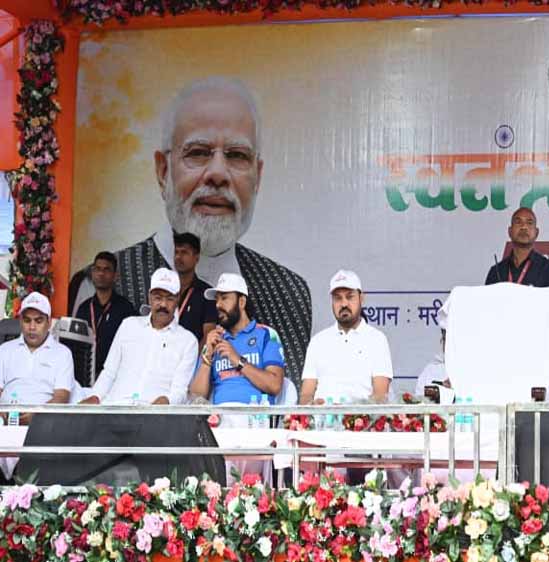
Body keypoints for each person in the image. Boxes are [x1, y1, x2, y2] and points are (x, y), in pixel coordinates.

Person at [69, 77, 311, 384]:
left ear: (257, 176)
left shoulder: (290, 293)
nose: (218, 174)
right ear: (163, 171)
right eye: (198, 152)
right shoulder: (101, 282)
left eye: (237, 155)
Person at [80, 268, 198, 405]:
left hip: (153, 412)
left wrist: (166, 401)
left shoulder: (187, 341)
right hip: (116, 406)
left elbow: (180, 391)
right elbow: (109, 372)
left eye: (170, 299)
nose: (163, 305)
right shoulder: (129, 325)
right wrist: (95, 396)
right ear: (149, 297)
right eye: (158, 298)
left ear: (178, 299)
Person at [189, 273, 285, 404]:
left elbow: (275, 386)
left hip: (255, 414)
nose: (218, 305)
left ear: (241, 302)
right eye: (217, 299)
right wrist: (207, 358)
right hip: (220, 415)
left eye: (224, 298)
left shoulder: (267, 334)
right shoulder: (215, 339)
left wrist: (238, 361)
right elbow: (195, 398)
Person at [299, 270, 393, 405]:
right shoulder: (318, 341)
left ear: (361, 298)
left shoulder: (377, 339)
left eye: (350, 297)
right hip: (321, 417)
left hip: (361, 417)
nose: (344, 304)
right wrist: (311, 406)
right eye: (338, 298)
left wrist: (352, 413)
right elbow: (306, 394)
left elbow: (380, 396)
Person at [0, 293, 74, 425]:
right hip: (5, 422)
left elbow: (61, 397)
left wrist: (37, 416)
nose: (32, 327)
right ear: (20, 321)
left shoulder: (62, 354)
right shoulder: (4, 350)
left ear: (49, 322)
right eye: (27, 320)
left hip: (45, 423)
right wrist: (2, 413)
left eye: (38, 321)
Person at [73, 252, 137, 378]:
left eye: (106, 269)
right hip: (85, 375)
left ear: (115, 276)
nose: (101, 273)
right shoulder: (84, 308)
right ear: (92, 273)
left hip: (115, 376)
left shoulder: (125, 308)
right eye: (97, 269)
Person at [484, 207, 549, 289]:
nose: (524, 227)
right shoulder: (496, 271)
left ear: (536, 233)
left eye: (529, 223)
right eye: (518, 222)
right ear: (510, 231)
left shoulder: (548, 269)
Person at [173, 232, 216, 346]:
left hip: (193, 355)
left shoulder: (206, 294)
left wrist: (195, 356)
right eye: (176, 252)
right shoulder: (166, 290)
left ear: (196, 257)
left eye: (184, 252)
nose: (178, 257)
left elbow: (209, 335)